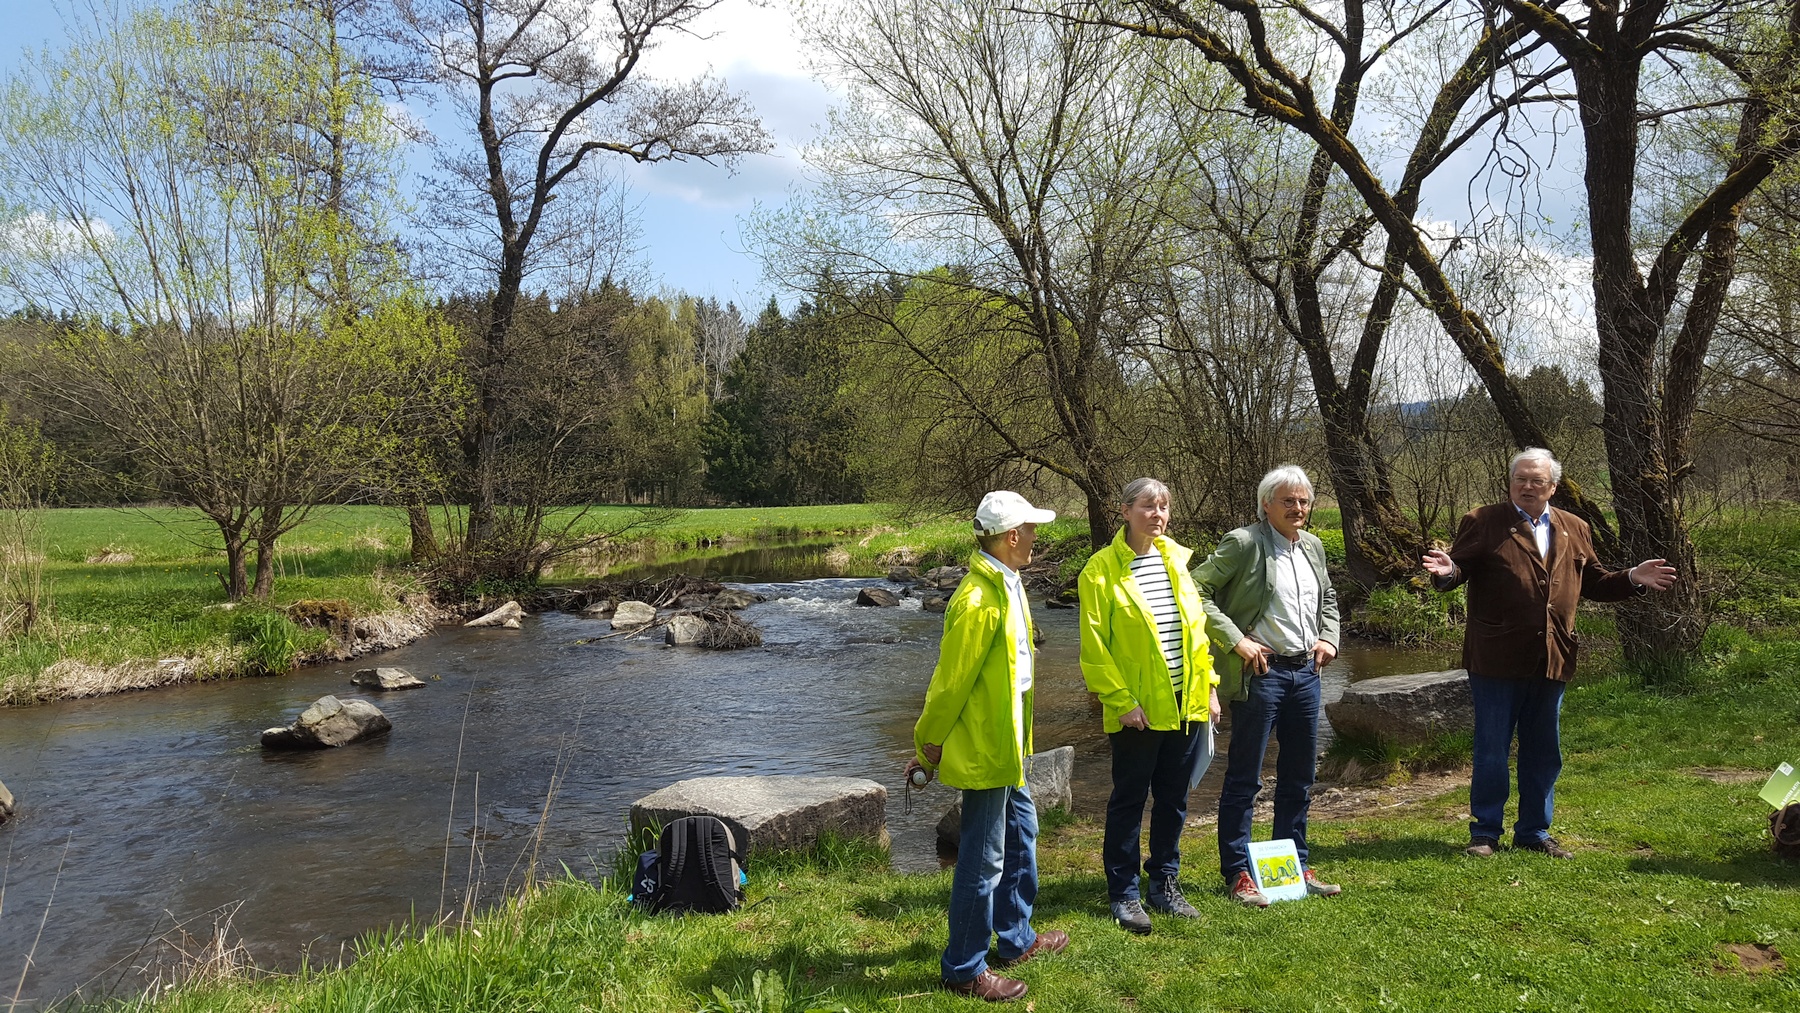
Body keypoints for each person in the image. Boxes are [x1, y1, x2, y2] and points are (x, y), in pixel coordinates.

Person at [1422, 448, 1677, 859]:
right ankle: (1485, 833)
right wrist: (1449, 572)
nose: (1526, 486)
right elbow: (1461, 568)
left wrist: (1632, 577)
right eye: (1519, 479)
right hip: (1496, 657)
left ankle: (1534, 832)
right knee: (1492, 750)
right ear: (1510, 483)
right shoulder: (1485, 521)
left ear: (1552, 487)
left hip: (1552, 655)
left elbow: (1593, 581)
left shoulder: (1575, 526)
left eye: (1536, 481)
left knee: (1544, 750)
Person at [907, 490, 1069, 1003]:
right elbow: (949, 684)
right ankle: (963, 967)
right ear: (1012, 536)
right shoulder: (977, 600)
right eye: (1032, 530)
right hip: (985, 752)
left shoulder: (1007, 584)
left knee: (1022, 833)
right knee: (983, 858)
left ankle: (1016, 939)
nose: (1038, 539)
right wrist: (927, 745)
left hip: (1009, 745)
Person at [1193, 465, 1342, 907]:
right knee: (1245, 778)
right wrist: (1235, 640)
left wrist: (1329, 636)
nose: (1298, 508)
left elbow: (1329, 598)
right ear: (1266, 504)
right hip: (1261, 674)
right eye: (1288, 501)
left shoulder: (1313, 546)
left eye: (1303, 501)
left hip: (1306, 675)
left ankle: (1294, 865)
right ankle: (1238, 874)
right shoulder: (1243, 543)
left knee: (1299, 775)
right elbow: (1196, 589)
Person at [1077, 478, 1219, 935]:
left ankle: (1164, 882)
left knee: (1174, 800)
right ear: (1124, 511)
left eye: (1164, 507)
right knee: (1128, 802)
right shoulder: (1099, 572)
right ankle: (1124, 892)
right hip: (1137, 713)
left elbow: (1196, 634)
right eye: (1148, 507)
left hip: (1186, 705)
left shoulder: (1177, 560)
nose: (1158, 515)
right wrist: (1121, 702)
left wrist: (1210, 688)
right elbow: (1094, 650)